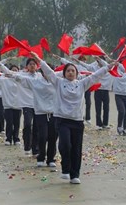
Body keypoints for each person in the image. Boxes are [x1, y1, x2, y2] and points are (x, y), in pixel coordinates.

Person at [30, 51, 116, 184]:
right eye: (68, 70)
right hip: (62, 120)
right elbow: (48, 71)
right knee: (65, 145)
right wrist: (37, 59)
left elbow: (95, 76)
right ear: (64, 73)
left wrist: (109, 67)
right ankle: (65, 169)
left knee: (76, 148)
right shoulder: (58, 82)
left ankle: (75, 174)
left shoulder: (82, 84)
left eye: (73, 70)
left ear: (76, 73)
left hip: (77, 121)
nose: (70, 72)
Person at [0, 64, 22, 146]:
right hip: (8, 106)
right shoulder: (4, 81)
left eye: (16, 70)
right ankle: (8, 138)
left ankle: (16, 138)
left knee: (17, 123)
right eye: (12, 70)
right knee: (9, 122)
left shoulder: (22, 81)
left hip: (18, 105)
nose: (14, 72)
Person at [112, 64, 126, 136]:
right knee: (121, 111)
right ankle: (119, 126)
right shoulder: (115, 71)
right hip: (118, 95)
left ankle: (125, 128)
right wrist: (99, 59)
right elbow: (106, 65)